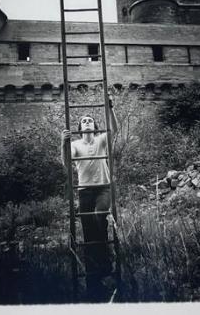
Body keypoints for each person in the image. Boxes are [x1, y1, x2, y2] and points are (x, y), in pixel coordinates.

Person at [61, 94, 118, 299]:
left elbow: (115, 130)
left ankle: (106, 264)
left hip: (103, 188)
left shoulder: (101, 140)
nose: (86, 122)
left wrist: (110, 107)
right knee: (89, 234)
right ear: (80, 126)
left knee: (100, 213)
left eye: (90, 120)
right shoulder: (76, 144)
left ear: (94, 127)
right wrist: (63, 143)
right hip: (85, 192)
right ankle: (95, 277)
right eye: (83, 120)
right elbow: (67, 165)